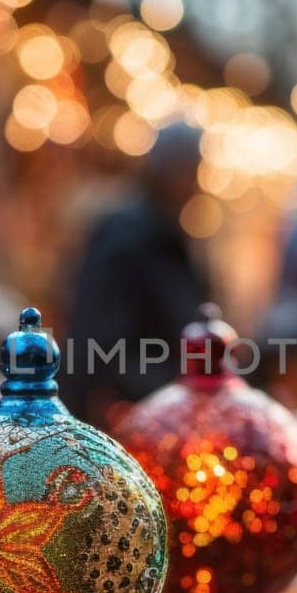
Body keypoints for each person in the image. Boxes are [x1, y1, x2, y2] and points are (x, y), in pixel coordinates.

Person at [62, 123, 209, 427]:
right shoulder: (133, 237)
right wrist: (167, 393)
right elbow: (104, 338)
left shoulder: (162, 235)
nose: (194, 183)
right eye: (188, 170)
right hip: (128, 413)